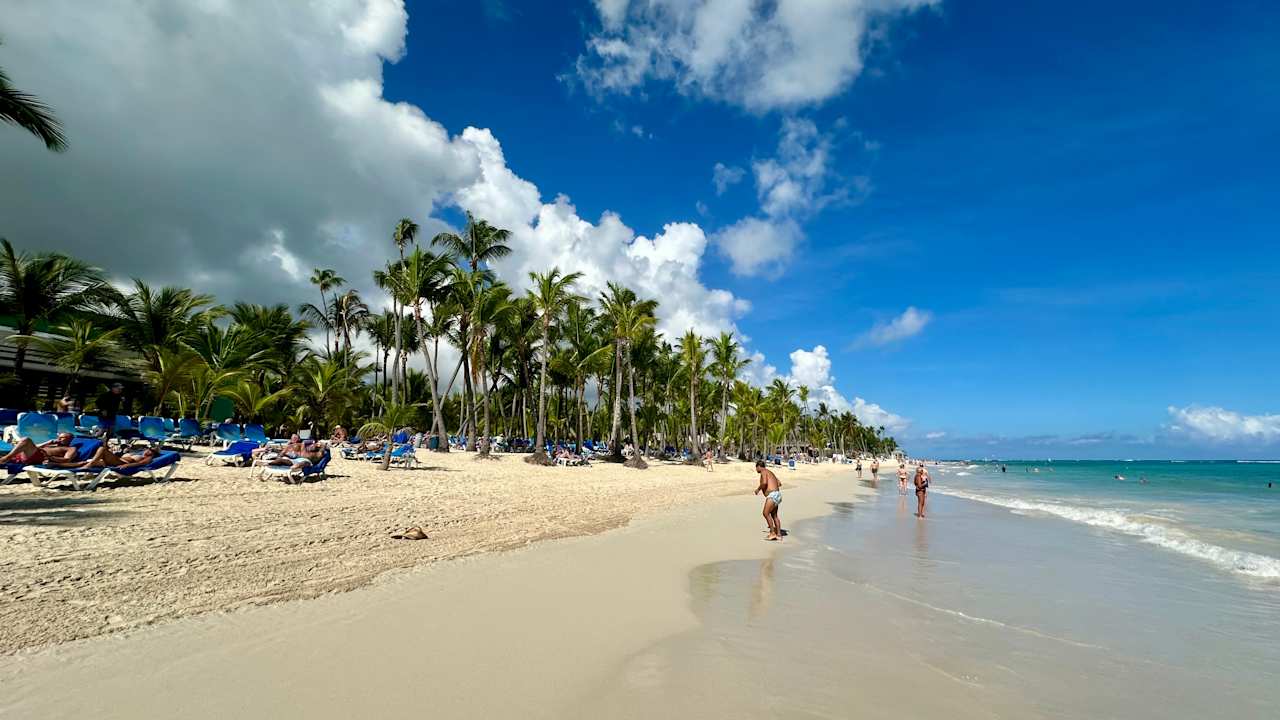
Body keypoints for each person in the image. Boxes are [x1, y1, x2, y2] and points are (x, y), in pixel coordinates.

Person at [0, 432, 81, 466]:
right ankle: (6, 458)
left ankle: (6, 458)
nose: (59, 439)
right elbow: (34, 447)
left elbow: (67, 460)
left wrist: (51, 458)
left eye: (62, 438)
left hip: (40, 457)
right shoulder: (52, 445)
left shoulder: (71, 449)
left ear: (69, 439)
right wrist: (47, 443)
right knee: (24, 442)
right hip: (30, 454)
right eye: (59, 437)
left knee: (26, 440)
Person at [754, 460, 783, 541]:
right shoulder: (770, 472)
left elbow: (764, 483)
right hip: (777, 494)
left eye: (756, 468)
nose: (756, 470)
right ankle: (779, 535)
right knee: (774, 516)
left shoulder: (763, 472)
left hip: (772, 495)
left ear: (759, 466)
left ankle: (772, 533)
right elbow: (779, 483)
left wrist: (758, 489)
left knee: (765, 513)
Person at [75, 444, 159, 470]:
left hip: (120, 463)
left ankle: (90, 464)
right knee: (83, 462)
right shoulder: (139, 452)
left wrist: (127, 465)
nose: (149, 450)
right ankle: (65, 465)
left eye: (152, 451)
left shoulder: (148, 458)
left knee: (102, 449)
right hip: (115, 460)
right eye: (149, 448)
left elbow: (141, 463)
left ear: (153, 453)